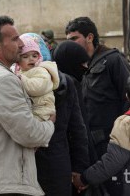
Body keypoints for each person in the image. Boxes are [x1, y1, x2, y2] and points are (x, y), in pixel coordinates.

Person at [0, 15, 55, 196]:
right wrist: (49, 123)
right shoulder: (2, 80)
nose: (21, 43)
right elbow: (29, 134)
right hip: (4, 184)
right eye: (14, 39)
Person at [66, 17, 130, 159]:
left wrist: (121, 134)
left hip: (112, 141)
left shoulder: (113, 60)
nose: (70, 44)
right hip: (90, 141)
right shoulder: (79, 65)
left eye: (74, 39)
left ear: (89, 37)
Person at [35, 41, 90, 196]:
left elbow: (78, 129)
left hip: (32, 165)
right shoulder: (68, 82)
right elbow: (78, 130)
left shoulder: (18, 83)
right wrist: (79, 168)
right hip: (58, 164)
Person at [16, 35, 59, 121]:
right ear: (18, 61)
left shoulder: (41, 70)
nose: (31, 59)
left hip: (42, 110)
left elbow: (38, 87)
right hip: (31, 108)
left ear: (39, 57)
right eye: (25, 57)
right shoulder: (20, 72)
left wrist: (21, 79)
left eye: (34, 56)